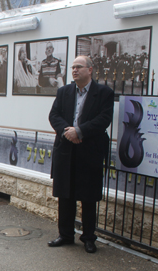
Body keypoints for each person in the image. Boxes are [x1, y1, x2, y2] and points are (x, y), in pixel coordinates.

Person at [47, 55, 114, 253]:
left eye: (79, 67)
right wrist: (69, 132)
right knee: (65, 195)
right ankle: (65, 235)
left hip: (90, 150)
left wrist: (80, 131)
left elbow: (104, 119)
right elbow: (54, 115)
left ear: (90, 70)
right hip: (66, 148)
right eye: (73, 67)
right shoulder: (64, 91)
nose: (74, 70)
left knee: (88, 196)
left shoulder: (104, 93)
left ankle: (88, 238)